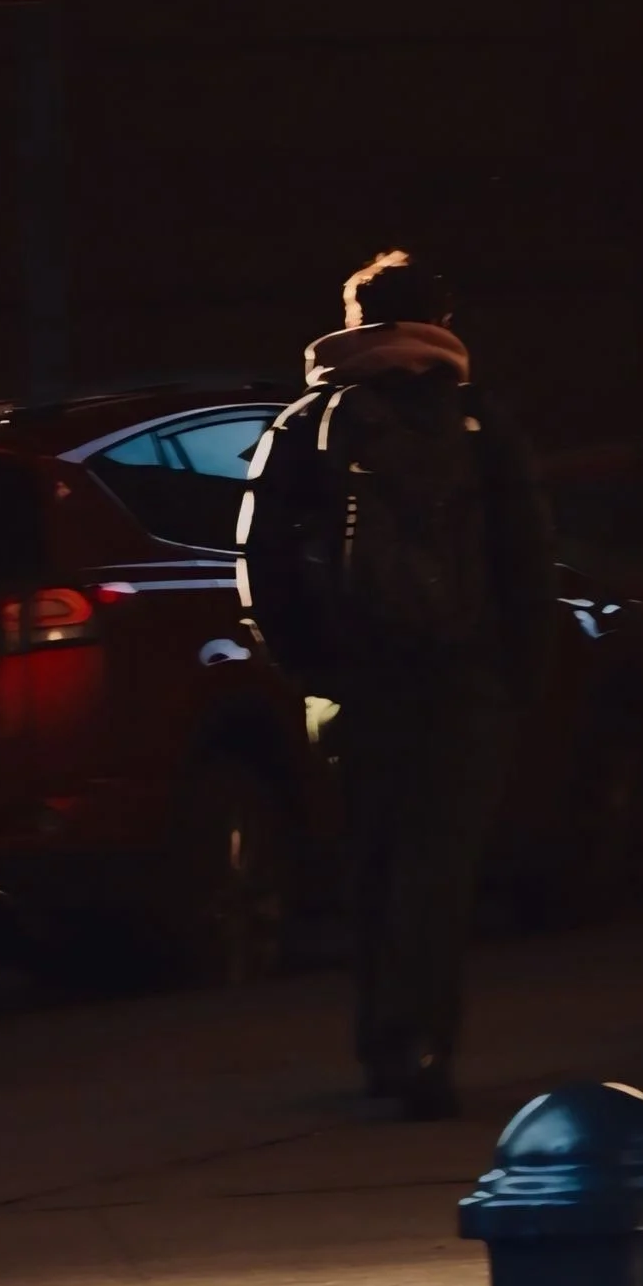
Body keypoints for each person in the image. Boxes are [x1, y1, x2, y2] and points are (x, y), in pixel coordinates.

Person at [240, 251, 554, 1117]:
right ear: (441, 322)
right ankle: (429, 1049)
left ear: (352, 319)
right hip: (465, 684)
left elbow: (259, 557)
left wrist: (308, 665)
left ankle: (381, 1045)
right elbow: (526, 560)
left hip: (357, 685)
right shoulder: (478, 418)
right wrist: (518, 677)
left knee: (373, 862)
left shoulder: (307, 423)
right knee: (441, 868)